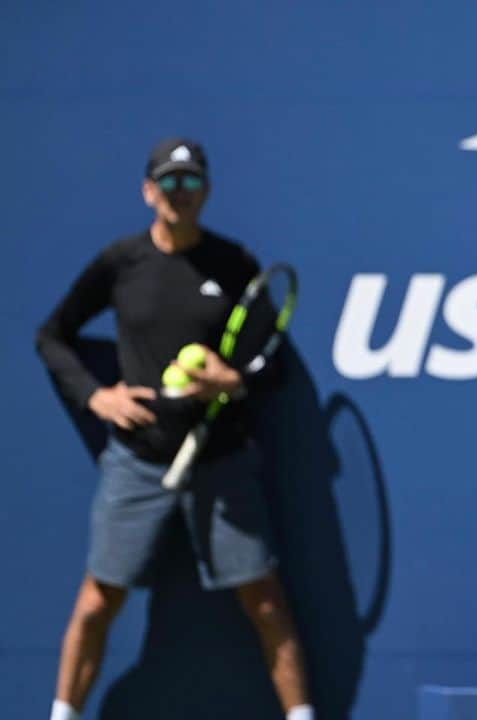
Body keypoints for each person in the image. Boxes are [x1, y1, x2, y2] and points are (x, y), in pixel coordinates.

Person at [35, 138, 315, 720]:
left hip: (222, 459)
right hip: (138, 458)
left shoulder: (234, 264)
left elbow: (273, 364)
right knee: (97, 601)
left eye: (189, 183)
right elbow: (52, 336)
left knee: (265, 604)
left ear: (205, 191)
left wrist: (230, 381)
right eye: (168, 182)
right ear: (148, 191)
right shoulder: (120, 263)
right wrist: (97, 396)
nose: (178, 194)